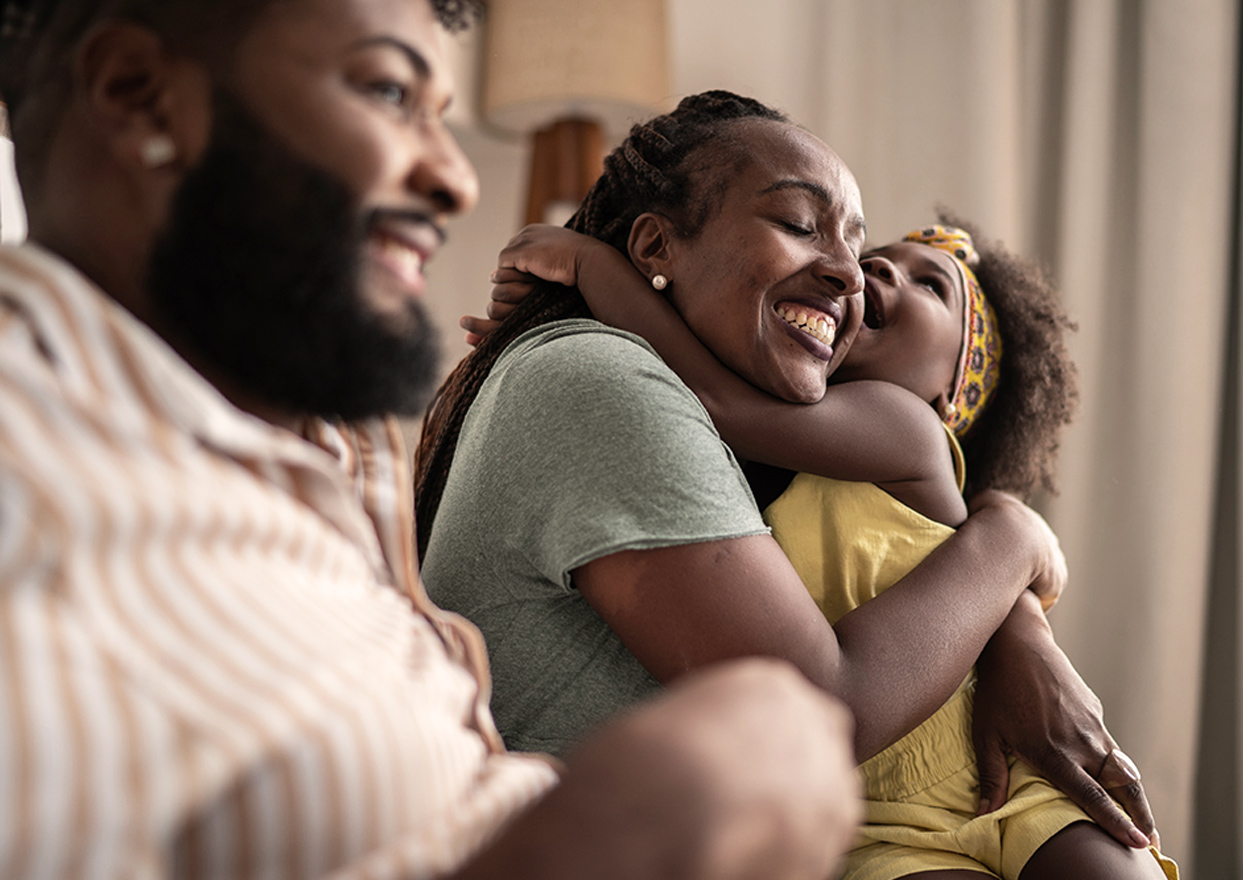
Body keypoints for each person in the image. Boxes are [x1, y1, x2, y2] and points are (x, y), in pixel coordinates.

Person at [0, 2, 870, 878]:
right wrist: (607, 836)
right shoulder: (34, 477)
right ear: (140, 97)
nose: (457, 179)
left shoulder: (309, 449)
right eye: (388, 90)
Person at [415, 89, 1162, 877]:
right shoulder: (607, 382)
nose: (854, 273)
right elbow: (821, 710)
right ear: (655, 247)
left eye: (856, 242)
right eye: (801, 225)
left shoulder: (812, 441)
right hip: (884, 817)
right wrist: (1012, 540)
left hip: (982, 783)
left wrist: (1017, 612)